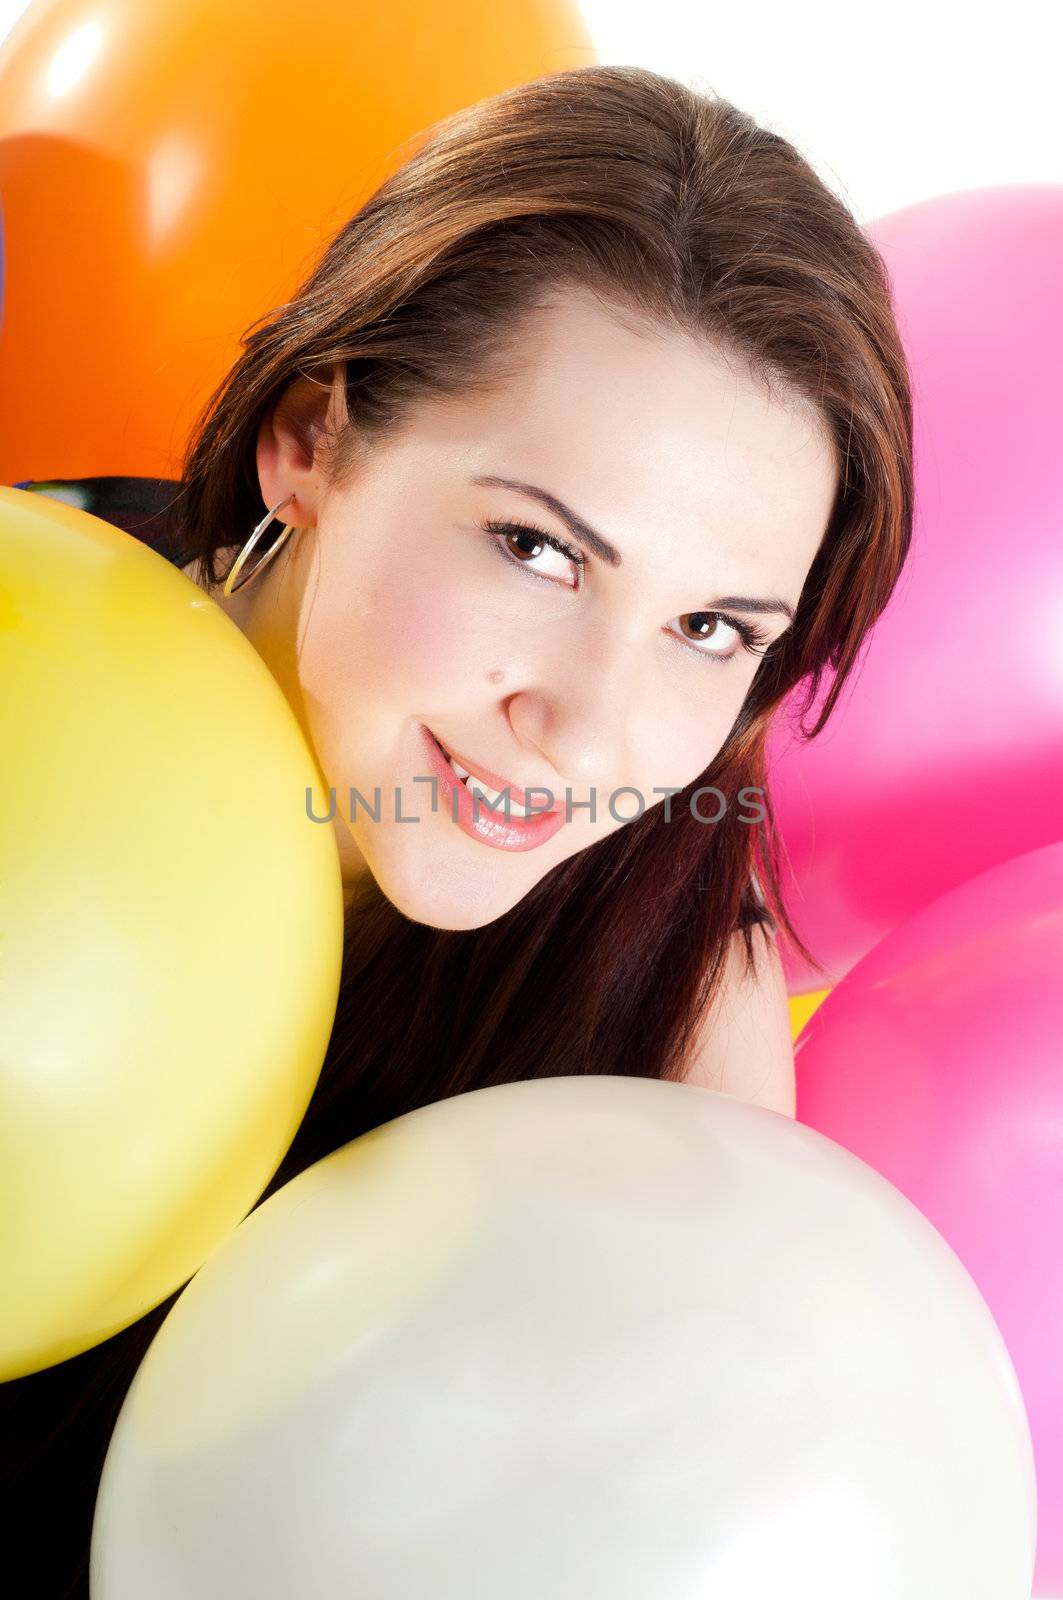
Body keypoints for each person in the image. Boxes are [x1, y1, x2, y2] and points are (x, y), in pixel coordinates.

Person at [2, 64, 913, 1596]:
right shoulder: (29, 654)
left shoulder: (673, 992)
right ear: (312, 440)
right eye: (537, 549)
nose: (585, 724)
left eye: (708, 627)